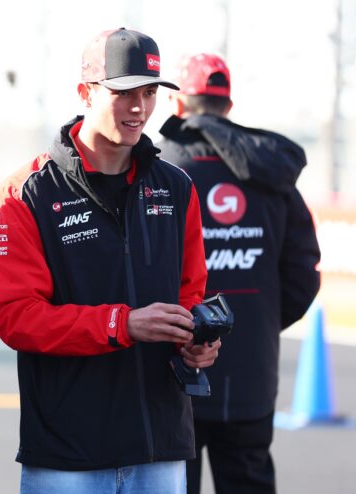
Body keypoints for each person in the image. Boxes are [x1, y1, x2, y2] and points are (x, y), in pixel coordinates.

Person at [0, 28, 222, 494]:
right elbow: (16, 319)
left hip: (161, 448)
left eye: (149, 92)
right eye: (123, 92)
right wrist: (123, 324)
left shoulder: (176, 188)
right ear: (85, 92)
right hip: (68, 456)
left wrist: (197, 342)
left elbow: (189, 295)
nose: (139, 108)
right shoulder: (26, 194)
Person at [157, 53, 321, 494]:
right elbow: (304, 274)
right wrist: (259, 320)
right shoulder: (272, 174)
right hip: (253, 375)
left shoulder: (162, 171)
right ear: (228, 107)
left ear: (178, 106)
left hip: (172, 374)